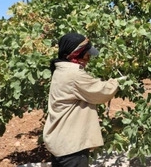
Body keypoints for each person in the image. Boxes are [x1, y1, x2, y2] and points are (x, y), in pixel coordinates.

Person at [43, 32, 120, 167]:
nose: (89, 58)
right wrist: (116, 82)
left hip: (60, 143)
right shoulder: (73, 74)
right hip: (71, 148)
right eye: (86, 54)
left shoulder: (60, 70)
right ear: (76, 54)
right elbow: (101, 92)